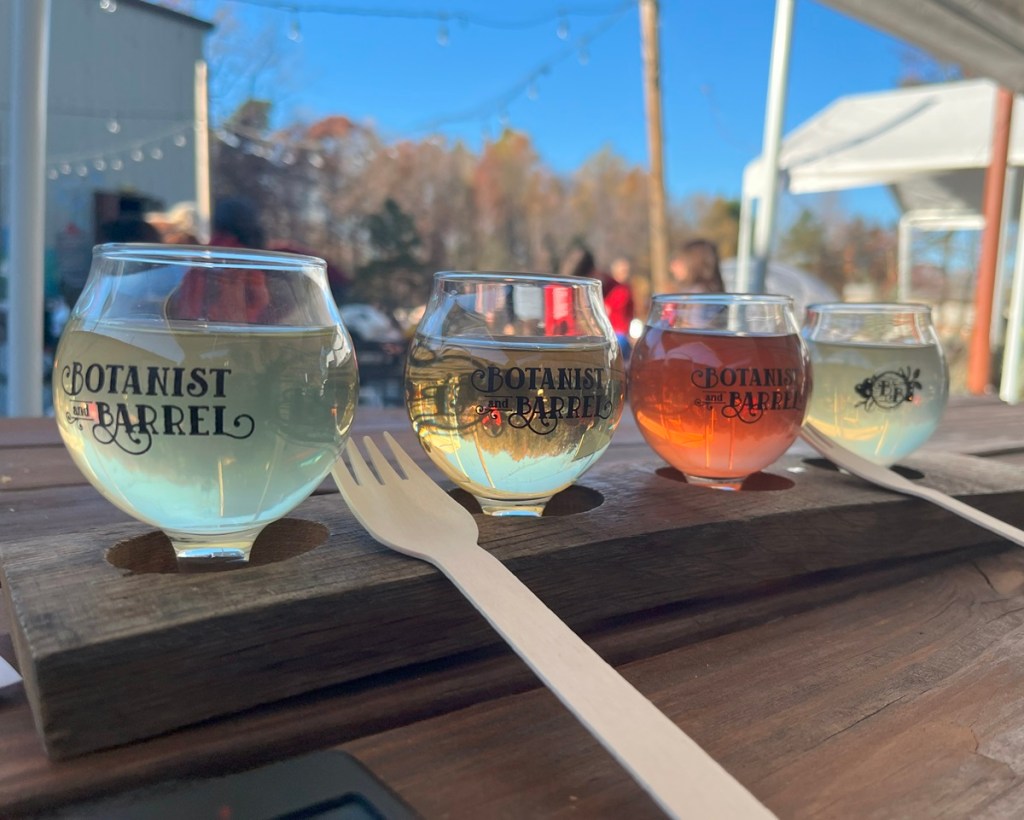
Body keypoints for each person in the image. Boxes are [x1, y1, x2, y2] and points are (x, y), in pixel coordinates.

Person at [603, 257, 635, 358]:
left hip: (623, 332)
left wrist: (630, 333)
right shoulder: (609, 286)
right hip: (611, 332)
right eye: (622, 270)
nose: (625, 273)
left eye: (626, 271)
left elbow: (630, 312)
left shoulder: (627, 289)